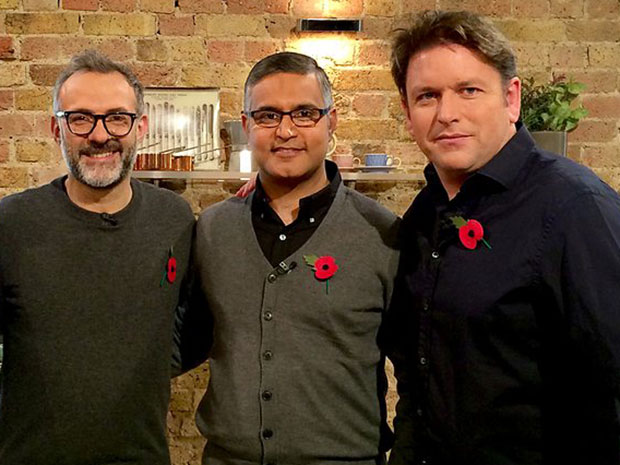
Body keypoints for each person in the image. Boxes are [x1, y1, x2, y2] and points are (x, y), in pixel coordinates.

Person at [384, 10, 620, 465]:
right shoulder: (425, 212)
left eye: (468, 90)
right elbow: (419, 372)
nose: (447, 114)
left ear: (511, 99)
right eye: (427, 96)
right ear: (408, 113)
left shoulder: (576, 208)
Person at [187, 52, 400, 465]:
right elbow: (187, 337)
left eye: (304, 113)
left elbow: (418, 373)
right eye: (267, 116)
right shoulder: (213, 230)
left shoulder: (383, 234)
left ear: (331, 120)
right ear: (247, 126)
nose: (285, 131)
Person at [0, 50, 195, 464]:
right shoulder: (11, 222)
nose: (100, 134)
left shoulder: (174, 218)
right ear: (57, 129)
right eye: (81, 118)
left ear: (140, 127)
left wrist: (144, 362)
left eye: (117, 118)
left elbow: (196, 321)